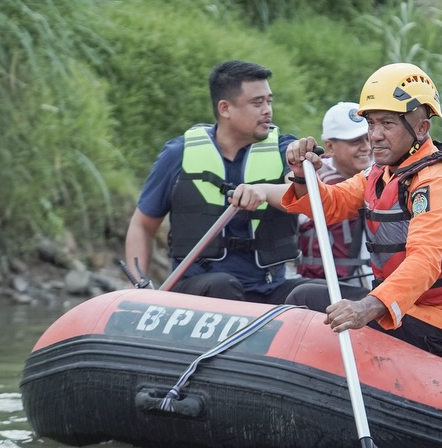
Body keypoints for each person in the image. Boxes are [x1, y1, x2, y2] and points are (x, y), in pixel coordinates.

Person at [231, 63, 442, 365]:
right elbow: (331, 204)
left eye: (387, 124)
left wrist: (368, 307)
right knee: (304, 294)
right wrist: (302, 177)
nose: (374, 135)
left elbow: (425, 260)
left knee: (305, 299)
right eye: (371, 124)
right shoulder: (382, 173)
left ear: (421, 128)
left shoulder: (437, 180)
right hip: (408, 309)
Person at [124, 59, 311, 302]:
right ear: (225, 108)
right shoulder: (177, 154)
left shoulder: (285, 149)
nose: (267, 110)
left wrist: (264, 191)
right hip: (200, 289)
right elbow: (142, 226)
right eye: (257, 103)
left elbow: (298, 193)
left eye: (269, 101)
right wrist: (140, 286)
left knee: (317, 294)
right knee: (222, 285)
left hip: (266, 289)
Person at [295, 102, 371, 284]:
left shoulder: (385, 171)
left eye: (368, 138)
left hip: (372, 280)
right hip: (325, 283)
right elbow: (288, 195)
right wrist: (260, 191)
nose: (366, 147)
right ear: (329, 146)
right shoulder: (312, 177)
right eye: (355, 141)